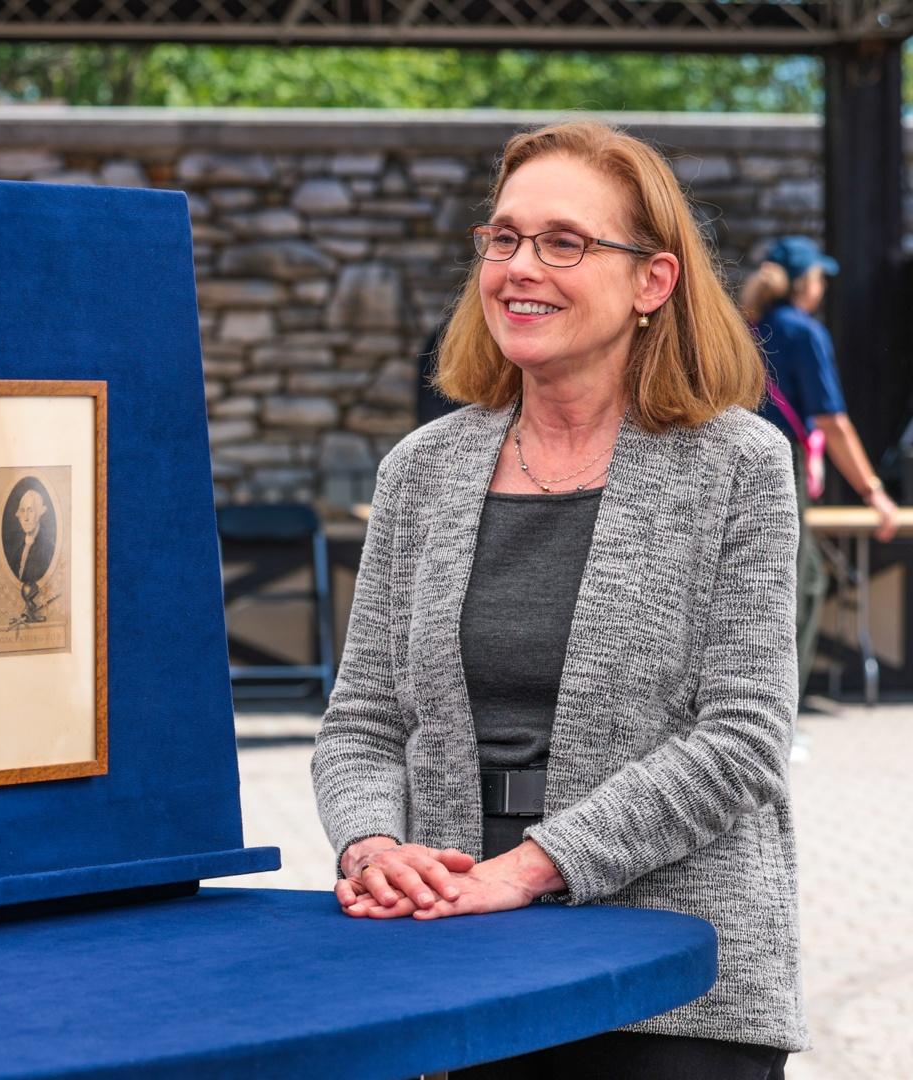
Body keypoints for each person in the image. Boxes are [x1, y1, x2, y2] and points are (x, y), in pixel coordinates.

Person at [312, 120, 803, 1077]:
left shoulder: (738, 464)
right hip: (456, 958)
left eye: (564, 242)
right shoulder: (420, 470)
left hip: (671, 980)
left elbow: (745, 739)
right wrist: (373, 848)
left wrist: (531, 869)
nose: (519, 268)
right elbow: (362, 722)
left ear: (652, 281)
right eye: (503, 238)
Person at [740, 235, 899, 697]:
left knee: (782, 580)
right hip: (780, 461)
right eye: (818, 277)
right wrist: (874, 492)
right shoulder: (804, 332)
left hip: (740, 455)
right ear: (802, 283)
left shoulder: (748, 326)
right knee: (798, 583)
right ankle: (778, 711)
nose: (823, 287)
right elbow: (833, 423)